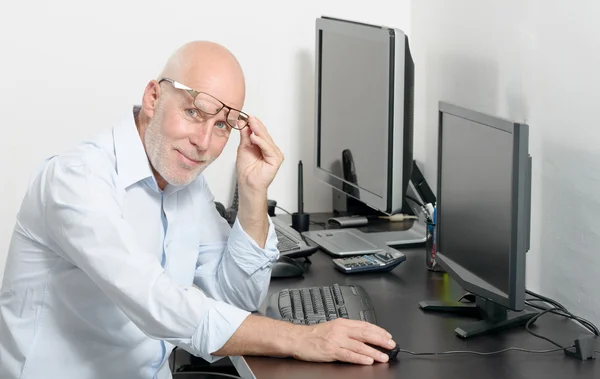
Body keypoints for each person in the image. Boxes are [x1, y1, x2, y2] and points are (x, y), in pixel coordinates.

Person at [0, 41, 396, 379]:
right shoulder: (76, 180)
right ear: (154, 97)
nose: (204, 143)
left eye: (223, 125)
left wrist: (253, 191)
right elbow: (157, 306)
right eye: (193, 112)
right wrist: (300, 337)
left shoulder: (184, 181)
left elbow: (235, 299)